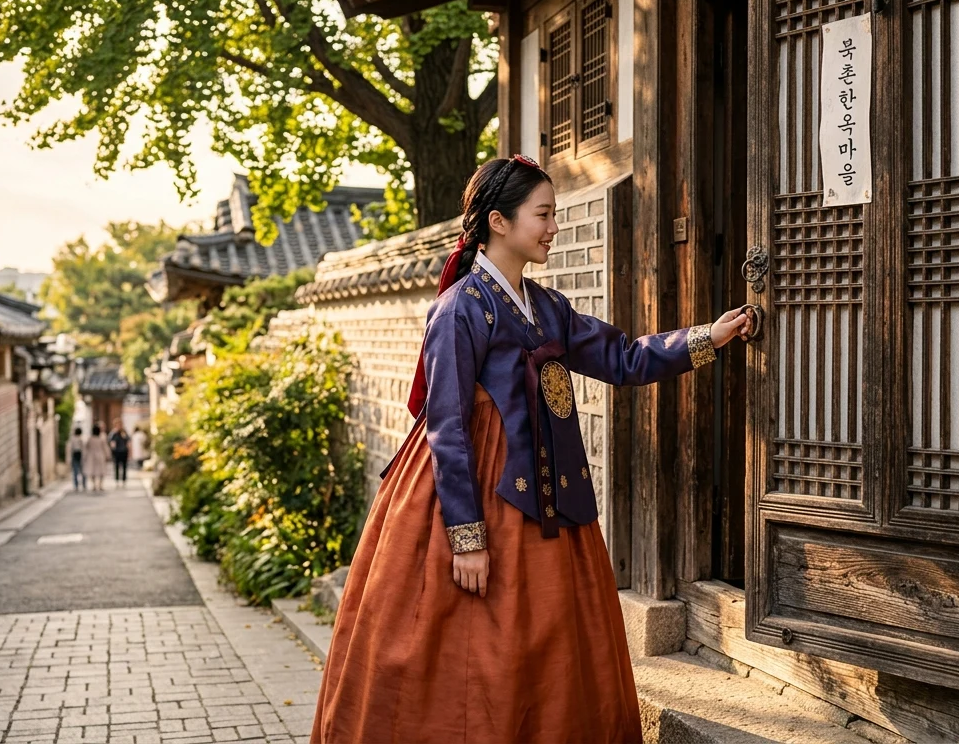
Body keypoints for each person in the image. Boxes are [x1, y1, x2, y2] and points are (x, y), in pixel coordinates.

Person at [312, 155, 760, 744]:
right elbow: (446, 426)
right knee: (477, 647)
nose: (553, 228)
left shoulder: (545, 307)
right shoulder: (460, 309)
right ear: (499, 220)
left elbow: (622, 359)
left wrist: (708, 337)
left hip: (550, 495)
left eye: (555, 215)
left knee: (550, 635)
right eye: (543, 215)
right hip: (478, 495)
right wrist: (466, 541)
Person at [85, 423, 112, 492]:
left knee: (92, 471)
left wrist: (85, 456)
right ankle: (100, 485)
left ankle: (94, 485)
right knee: (101, 471)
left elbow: (86, 447)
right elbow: (105, 447)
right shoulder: (101, 439)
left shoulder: (90, 439)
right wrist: (108, 455)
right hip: (100, 455)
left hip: (91, 456)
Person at [66, 427, 87, 492]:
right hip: (78, 455)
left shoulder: (74, 439)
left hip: (76, 455)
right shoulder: (81, 438)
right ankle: (83, 485)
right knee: (81, 471)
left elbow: (70, 449)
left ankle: (77, 486)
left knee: (76, 472)